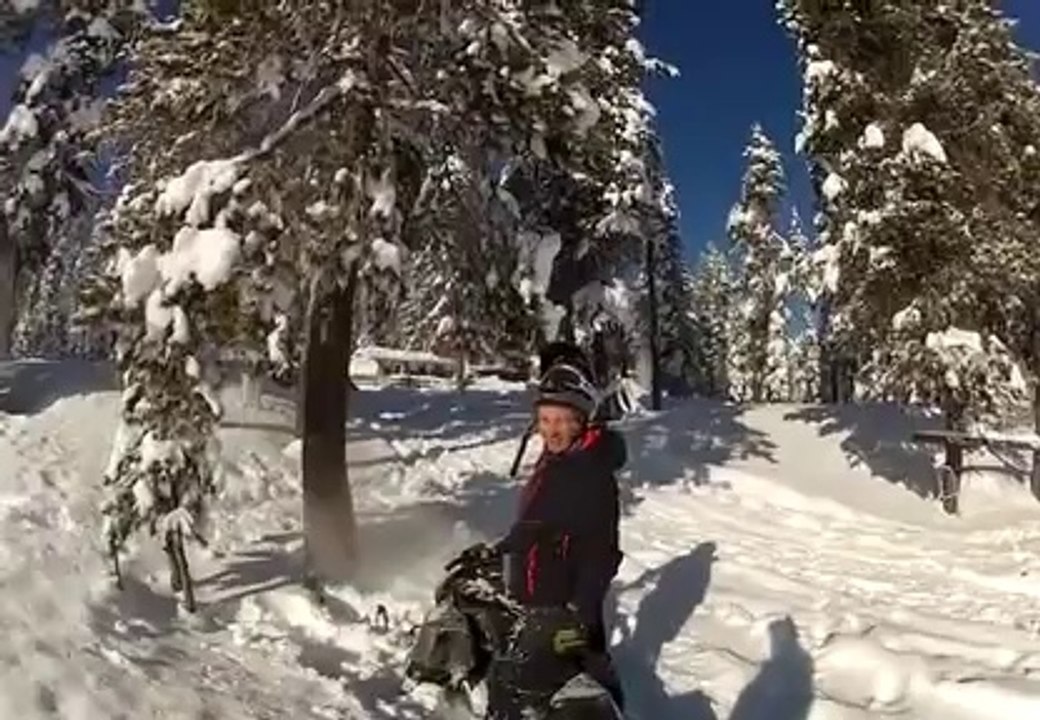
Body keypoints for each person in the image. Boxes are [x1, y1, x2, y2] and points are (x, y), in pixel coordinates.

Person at [486, 358, 627, 719]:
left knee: (578, 687)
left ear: (581, 421)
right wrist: (500, 551)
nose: (552, 430)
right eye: (546, 420)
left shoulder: (590, 472)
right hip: (540, 601)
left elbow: (601, 549)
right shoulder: (558, 460)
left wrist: (580, 606)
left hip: (565, 610)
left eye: (563, 420)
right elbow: (537, 523)